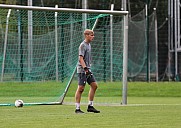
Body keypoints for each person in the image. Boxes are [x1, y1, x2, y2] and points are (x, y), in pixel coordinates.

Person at [75, 29, 100, 114]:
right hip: (82, 70)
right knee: (81, 88)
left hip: (88, 69)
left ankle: (90, 106)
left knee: (94, 85)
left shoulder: (89, 45)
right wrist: (85, 69)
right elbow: (80, 58)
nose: (93, 37)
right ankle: (77, 108)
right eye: (91, 35)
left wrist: (88, 69)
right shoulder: (83, 45)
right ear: (86, 35)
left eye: (93, 35)